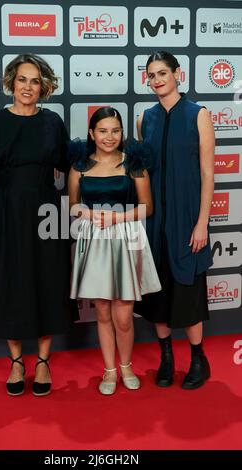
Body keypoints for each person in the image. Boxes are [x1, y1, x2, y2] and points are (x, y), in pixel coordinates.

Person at [0, 53, 77, 397]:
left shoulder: (52, 123)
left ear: (43, 86)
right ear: (11, 83)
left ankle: (43, 361)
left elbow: (70, 168)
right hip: (7, 211)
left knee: (48, 280)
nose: (28, 87)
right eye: (22, 80)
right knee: (10, 282)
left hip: (47, 211)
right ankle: (17, 361)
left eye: (35, 81)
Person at [135, 51, 215, 390]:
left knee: (188, 293)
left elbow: (208, 175)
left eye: (162, 73)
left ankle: (198, 359)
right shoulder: (145, 119)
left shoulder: (199, 115)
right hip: (154, 224)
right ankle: (166, 357)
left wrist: (202, 223)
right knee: (158, 297)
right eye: (151, 75)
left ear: (177, 74)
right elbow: (142, 175)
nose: (157, 80)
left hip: (187, 221)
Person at [68, 107, 161, 395]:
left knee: (124, 314)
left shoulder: (133, 164)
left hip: (125, 238)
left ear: (122, 133)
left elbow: (148, 207)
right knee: (104, 312)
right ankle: (109, 371)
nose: (110, 137)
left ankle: (126, 366)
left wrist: (115, 218)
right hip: (95, 241)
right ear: (92, 134)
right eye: (103, 131)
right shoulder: (79, 167)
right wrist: (85, 213)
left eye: (116, 130)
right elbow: (72, 206)